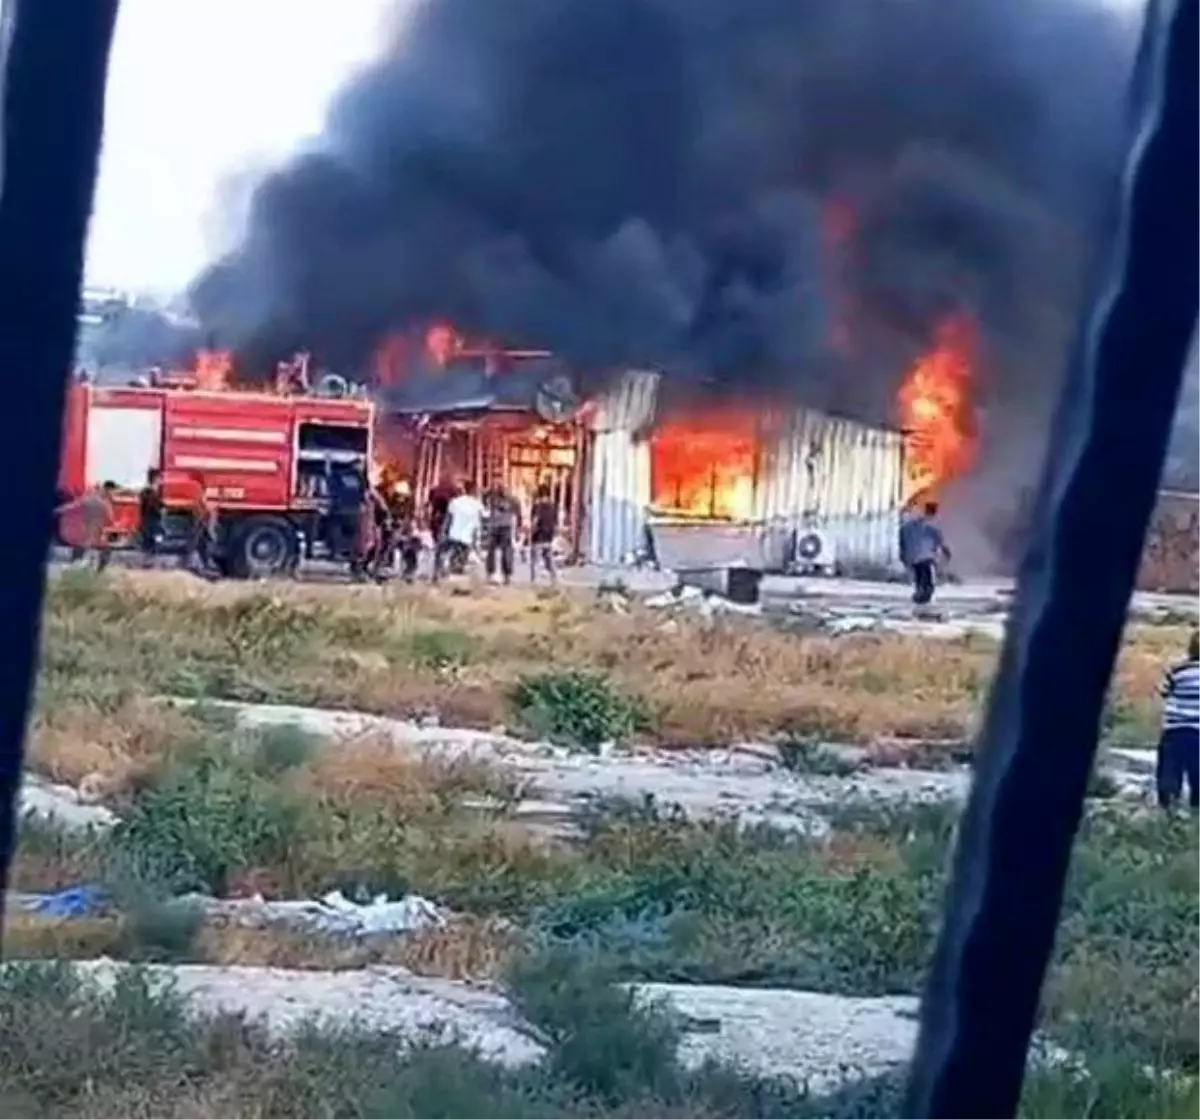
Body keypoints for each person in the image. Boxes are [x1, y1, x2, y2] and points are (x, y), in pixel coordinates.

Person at [1157, 631, 1200, 810]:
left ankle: (1168, 813)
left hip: (1175, 731)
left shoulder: (1177, 670)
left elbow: (1164, 691)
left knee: (1169, 775)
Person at [899, 500, 950, 606]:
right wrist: (946, 553)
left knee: (920, 581)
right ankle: (921, 601)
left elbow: (902, 543)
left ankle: (919, 600)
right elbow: (940, 541)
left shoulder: (907, 526)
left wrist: (904, 556)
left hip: (914, 558)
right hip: (926, 559)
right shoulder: (932, 526)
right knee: (928, 585)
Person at [56, 481, 117, 571]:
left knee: (80, 549)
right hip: (93, 534)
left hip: (84, 533)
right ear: (109, 490)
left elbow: (72, 506)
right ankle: (99, 571)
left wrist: (58, 511)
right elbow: (110, 520)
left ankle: (74, 567)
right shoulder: (104, 503)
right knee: (105, 549)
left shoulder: (89, 498)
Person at [442, 479, 484, 578]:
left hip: (454, 534)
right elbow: (479, 521)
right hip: (467, 536)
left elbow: (448, 519)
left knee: (454, 555)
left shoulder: (455, 502)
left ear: (464, 489)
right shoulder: (477, 505)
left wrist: (444, 531)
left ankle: (452, 571)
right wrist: (477, 537)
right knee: (462, 557)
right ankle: (457, 570)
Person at [484, 484, 521, 585]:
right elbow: (484, 500)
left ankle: (506, 575)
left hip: (504, 527)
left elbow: (518, 514)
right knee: (493, 551)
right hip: (496, 526)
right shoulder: (493, 497)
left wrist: (518, 529)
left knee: (506, 552)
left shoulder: (512, 500)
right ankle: (492, 573)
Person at [529, 482, 558, 585]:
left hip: (538, 537)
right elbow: (555, 522)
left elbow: (535, 521)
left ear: (539, 494)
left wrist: (531, 532)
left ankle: (534, 581)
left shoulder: (537, 507)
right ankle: (554, 579)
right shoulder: (553, 507)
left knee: (535, 560)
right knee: (549, 559)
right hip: (549, 537)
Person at [138, 468, 163, 568]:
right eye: (160, 478)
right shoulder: (152, 493)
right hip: (153, 523)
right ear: (155, 479)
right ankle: (149, 564)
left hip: (146, 522)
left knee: (148, 544)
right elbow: (155, 508)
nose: (161, 480)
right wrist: (161, 509)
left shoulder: (144, 492)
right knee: (156, 541)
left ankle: (146, 563)